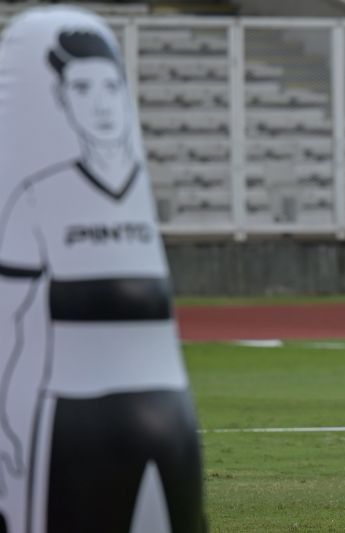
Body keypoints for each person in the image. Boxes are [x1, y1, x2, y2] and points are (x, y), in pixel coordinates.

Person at [0, 20, 205, 532]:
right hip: (73, 424)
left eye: (110, 86)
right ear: (61, 100)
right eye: (82, 88)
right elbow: (14, 329)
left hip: (170, 421)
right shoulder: (36, 198)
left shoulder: (139, 201)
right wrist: (11, 433)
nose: (100, 102)